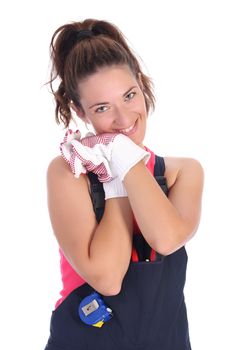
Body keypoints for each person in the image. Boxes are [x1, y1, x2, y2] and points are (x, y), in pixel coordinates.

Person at [44, 18, 204, 350]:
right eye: (102, 108)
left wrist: (122, 155)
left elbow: (165, 237)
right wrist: (111, 180)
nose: (123, 118)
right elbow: (108, 278)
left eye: (129, 95)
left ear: (142, 85)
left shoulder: (182, 172)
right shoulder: (68, 173)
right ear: (80, 111)